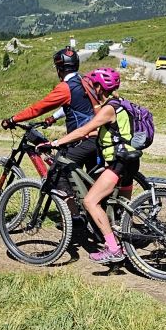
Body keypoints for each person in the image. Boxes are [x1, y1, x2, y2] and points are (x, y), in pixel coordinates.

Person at [36, 67, 139, 264]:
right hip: (130, 160)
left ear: (100, 87)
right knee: (121, 210)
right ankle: (124, 240)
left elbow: (84, 129)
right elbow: (101, 131)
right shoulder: (121, 104)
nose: (92, 88)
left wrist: (56, 143)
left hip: (119, 163)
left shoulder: (108, 109)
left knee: (90, 201)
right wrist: (82, 136)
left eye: (94, 85)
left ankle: (113, 249)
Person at [1, 47, 97, 167]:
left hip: (80, 140)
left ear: (59, 69)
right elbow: (75, 106)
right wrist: (53, 117)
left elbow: (37, 109)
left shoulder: (65, 87)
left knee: (58, 172)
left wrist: (12, 120)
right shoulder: (82, 80)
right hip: (93, 136)